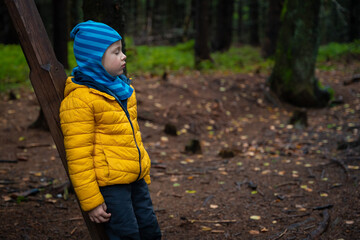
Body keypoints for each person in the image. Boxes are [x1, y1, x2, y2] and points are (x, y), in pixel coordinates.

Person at [59, 20, 162, 240]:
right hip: (110, 185)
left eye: (121, 50)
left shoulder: (121, 88)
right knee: (126, 233)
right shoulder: (80, 99)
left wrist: (141, 167)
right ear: (95, 60)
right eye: (116, 52)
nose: (123, 56)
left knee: (150, 229)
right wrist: (92, 201)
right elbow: (78, 156)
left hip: (135, 176)